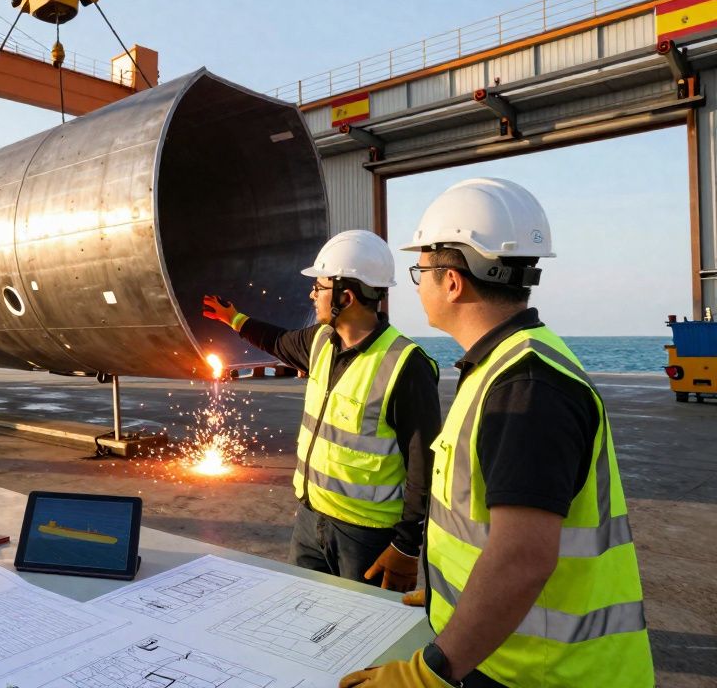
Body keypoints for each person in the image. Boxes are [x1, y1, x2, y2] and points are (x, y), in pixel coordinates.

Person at [340, 178, 653, 687]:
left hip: (544, 673)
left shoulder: (526, 386)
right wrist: (451, 594)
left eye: (421, 270)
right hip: (507, 652)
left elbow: (522, 558)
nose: (416, 284)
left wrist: (427, 673)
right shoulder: (504, 365)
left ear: (453, 282)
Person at [203, 230, 440, 593]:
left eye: (320, 286)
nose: (312, 294)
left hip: (367, 537)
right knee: (303, 617)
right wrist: (234, 319)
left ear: (346, 296)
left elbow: (424, 465)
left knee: (362, 637)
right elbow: (277, 341)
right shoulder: (318, 342)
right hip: (310, 519)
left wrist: (407, 546)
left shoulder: (406, 366)